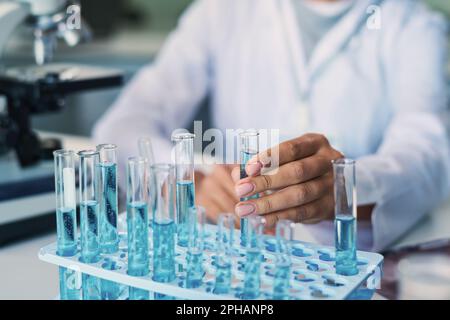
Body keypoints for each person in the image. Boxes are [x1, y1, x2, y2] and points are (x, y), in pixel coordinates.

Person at [93, 0, 450, 251]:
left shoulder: (412, 24)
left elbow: (429, 153)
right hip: (231, 254)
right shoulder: (221, 10)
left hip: (342, 259)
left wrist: (345, 186)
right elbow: (121, 125)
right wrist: (187, 180)